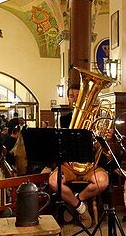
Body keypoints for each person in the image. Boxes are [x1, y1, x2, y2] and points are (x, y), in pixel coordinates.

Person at [47, 85, 109, 225]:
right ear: (68, 98)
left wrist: (106, 138)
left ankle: (76, 200)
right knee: (53, 181)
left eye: (78, 96)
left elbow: (104, 149)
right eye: (71, 96)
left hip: (91, 165)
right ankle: (81, 209)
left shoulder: (96, 119)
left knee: (103, 181)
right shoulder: (63, 120)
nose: (75, 99)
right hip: (69, 165)